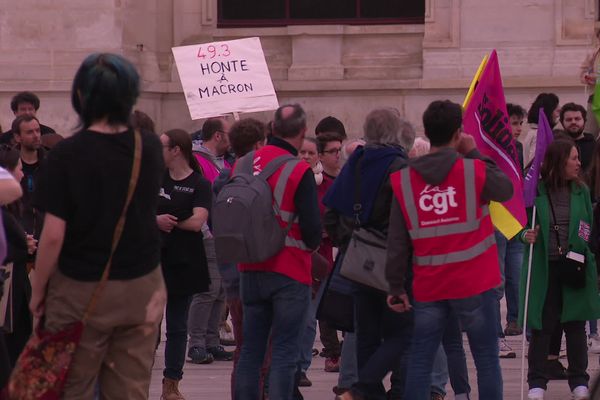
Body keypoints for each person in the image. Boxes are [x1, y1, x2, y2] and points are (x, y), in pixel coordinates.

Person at [29, 53, 167, 399]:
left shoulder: (65, 155)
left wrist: (38, 291)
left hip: (81, 285)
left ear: (81, 97)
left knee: (71, 386)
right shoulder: (148, 147)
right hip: (141, 283)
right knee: (130, 390)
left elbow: (53, 236)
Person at [387, 100, 512, 400]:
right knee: (486, 360)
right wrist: (473, 151)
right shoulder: (472, 170)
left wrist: (395, 286)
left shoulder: (404, 179)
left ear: (427, 132)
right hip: (474, 282)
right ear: (459, 133)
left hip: (429, 284)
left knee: (421, 359)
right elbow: (506, 189)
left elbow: (397, 240)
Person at [323, 107, 416, 400]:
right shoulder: (400, 166)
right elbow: (409, 218)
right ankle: (367, 390)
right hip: (393, 261)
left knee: (365, 334)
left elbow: (331, 213)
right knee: (403, 332)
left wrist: (352, 240)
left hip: (358, 262)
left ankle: (369, 393)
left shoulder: (356, 161)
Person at [234, 104, 321, 400]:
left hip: (249, 267)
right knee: (284, 353)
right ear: (303, 131)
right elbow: (312, 230)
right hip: (289, 270)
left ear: (271, 129)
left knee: (250, 351)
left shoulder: (243, 163)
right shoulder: (299, 169)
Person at [521, 139, 600, 400]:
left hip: (574, 266)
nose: (579, 163)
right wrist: (526, 235)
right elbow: (520, 224)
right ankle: (536, 382)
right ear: (559, 160)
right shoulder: (536, 191)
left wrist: (580, 248)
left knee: (576, 326)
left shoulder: (581, 191)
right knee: (542, 327)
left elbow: (587, 224)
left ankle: (579, 380)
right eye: (574, 158)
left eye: (579, 158)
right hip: (546, 268)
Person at [213, 118, 268, 400]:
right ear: (259, 144)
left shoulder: (224, 177)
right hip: (259, 271)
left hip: (233, 274)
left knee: (244, 350)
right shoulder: (261, 177)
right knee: (263, 352)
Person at [157, 129, 212, 400]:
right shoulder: (156, 177)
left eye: (163, 146)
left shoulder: (199, 184)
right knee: (149, 323)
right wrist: (155, 221)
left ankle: (171, 382)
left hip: (184, 260)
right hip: (154, 258)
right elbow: (139, 211)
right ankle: (139, 375)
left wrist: (174, 222)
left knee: (178, 326)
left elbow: (198, 221)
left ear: (176, 149)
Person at [188, 116, 234, 364]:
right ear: (217, 136)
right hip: (208, 232)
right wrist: (206, 230)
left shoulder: (224, 161)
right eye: (229, 134)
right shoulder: (198, 160)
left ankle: (212, 340)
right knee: (207, 290)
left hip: (223, 232)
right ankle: (196, 343)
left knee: (220, 291)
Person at [0, 146, 35, 368]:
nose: (22, 174)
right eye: (19, 169)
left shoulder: (10, 207)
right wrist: (25, 247)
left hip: (16, 287)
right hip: (8, 294)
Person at [11, 115, 47, 239]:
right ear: (17, 137)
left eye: (38, 130)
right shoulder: (7, 167)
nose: (36, 135)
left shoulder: (52, 164)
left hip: (46, 237)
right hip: (16, 239)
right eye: (30, 132)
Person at [521, 93, 560, 167]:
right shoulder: (539, 134)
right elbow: (535, 164)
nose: (558, 115)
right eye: (557, 111)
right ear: (549, 112)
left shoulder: (533, 132)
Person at [557, 102, 596, 173]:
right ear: (562, 122)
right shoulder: (555, 146)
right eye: (569, 119)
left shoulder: (595, 146)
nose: (573, 122)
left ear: (585, 121)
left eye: (577, 119)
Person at [580, 27, 600, 138]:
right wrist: (586, 77)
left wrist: (597, 79)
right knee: (590, 133)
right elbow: (582, 72)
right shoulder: (593, 55)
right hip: (594, 98)